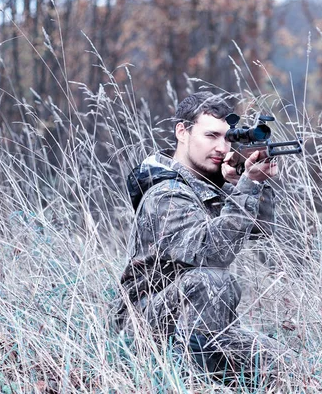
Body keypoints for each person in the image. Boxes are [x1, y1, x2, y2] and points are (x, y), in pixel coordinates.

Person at [115, 91, 291, 387]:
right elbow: (214, 253)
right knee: (213, 279)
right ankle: (194, 385)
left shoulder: (204, 186)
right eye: (211, 136)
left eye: (227, 138)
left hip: (194, 322)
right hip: (141, 327)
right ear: (182, 132)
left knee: (281, 362)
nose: (222, 147)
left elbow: (259, 231)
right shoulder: (165, 193)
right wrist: (247, 186)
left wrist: (253, 184)